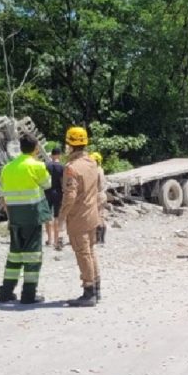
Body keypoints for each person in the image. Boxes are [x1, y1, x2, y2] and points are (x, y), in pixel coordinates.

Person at [0, 134, 52, 304]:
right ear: (36, 147)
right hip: (32, 216)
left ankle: (6, 292)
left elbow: (3, 196)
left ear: (20, 147)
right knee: (32, 255)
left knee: (14, 254)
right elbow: (47, 184)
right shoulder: (37, 165)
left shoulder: (7, 168)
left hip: (14, 216)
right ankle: (29, 294)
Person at [59, 127, 103, 307]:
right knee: (91, 251)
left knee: (83, 253)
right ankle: (96, 288)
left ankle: (88, 291)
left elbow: (70, 195)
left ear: (70, 145)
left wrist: (61, 217)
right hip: (92, 215)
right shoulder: (92, 162)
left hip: (78, 217)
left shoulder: (71, 168)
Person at [44, 146, 65, 251]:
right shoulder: (62, 167)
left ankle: (49, 240)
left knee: (48, 216)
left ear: (52, 155)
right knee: (57, 216)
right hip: (58, 192)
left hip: (47, 192)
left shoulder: (46, 165)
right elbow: (62, 182)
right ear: (59, 155)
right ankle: (56, 240)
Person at [91, 151, 108, 245]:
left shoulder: (95, 171)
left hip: (97, 195)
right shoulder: (100, 169)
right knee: (101, 215)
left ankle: (98, 238)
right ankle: (102, 239)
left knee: (97, 217)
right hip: (102, 194)